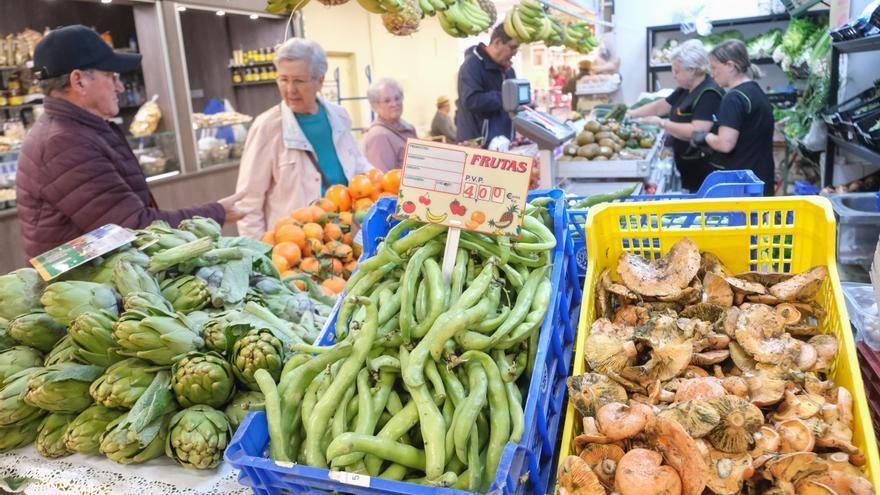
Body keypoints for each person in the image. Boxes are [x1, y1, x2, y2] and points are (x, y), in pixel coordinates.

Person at [15, 25, 244, 258]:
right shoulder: (64, 143)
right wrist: (216, 213)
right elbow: (132, 227)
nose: (120, 87)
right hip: (85, 287)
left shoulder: (79, 131)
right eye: (110, 76)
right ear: (79, 81)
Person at [235, 38, 373, 239]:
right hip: (294, 250)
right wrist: (260, 257)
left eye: (299, 80)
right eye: (283, 79)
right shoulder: (267, 127)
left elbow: (359, 167)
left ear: (320, 80)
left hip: (345, 238)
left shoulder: (339, 117)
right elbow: (248, 203)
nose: (290, 90)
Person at [626, 40, 723, 191]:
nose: (674, 75)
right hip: (685, 160)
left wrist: (662, 123)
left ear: (691, 70)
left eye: (677, 71)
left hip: (701, 166)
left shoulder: (708, 93)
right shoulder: (686, 89)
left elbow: (698, 131)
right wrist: (631, 114)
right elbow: (661, 106)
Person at [693, 39, 775, 196]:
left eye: (714, 67)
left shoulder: (733, 98)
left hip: (740, 185)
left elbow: (725, 144)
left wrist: (704, 136)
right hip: (759, 180)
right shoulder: (755, 91)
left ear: (730, 66)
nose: (712, 73)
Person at [455, 23, 519, 145]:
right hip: (477, 146)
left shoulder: (509, 70)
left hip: (502, 144)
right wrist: (506, 98)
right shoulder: (471, 66)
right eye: (512, 47)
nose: (515, 53)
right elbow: (471, 100)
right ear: (497, 43)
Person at [363, 78, 418, 172]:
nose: (394, 104)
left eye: (397, 98)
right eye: (387, 101)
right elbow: (383, 181)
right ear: (375, 106)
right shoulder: (379, 136)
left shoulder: (408, 127)